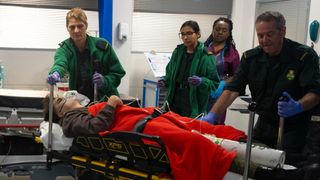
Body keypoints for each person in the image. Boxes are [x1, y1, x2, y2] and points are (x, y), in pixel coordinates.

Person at [43, 95, 305, 180]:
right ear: (60, 113)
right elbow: (97, 126)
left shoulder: (85, 108)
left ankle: (285, 158)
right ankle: (266, 172)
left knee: (212, 131)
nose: (67, 97)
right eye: (59, 100)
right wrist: (112, 103)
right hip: (141, 129)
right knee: (199, 144)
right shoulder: (70, 121)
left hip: (150, 119)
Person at [201, 11, 320, 156]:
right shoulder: (251, 58)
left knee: (289, 169)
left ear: (282, 31)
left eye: (269, 34)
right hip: (264, 124)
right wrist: (212, 115)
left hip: (297, 127)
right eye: (260, 35)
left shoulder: (304, 56)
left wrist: (299, 105)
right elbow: (232, 90)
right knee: (255, 163)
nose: (264, 40)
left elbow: (315, 93)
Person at [47, 7, 126, 102]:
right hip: (77, 103)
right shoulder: (64, 49)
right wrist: (56, 73)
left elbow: (117, 73)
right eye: (72, 27)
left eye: (80, 26)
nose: (76, 30)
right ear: (67, 28)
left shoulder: (102, 47)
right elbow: (60, 63)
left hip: (104, 101)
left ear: (86, 26)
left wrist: (105, 81)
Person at [157, 20, 219, 118]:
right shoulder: (178, 52)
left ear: (198, 34)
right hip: (174, 96)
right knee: (171, 125)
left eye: (189, 33)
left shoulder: (206, 56)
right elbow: (169, 73)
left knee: (188, 129)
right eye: (182, 34)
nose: (185, 37)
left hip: (193, 99)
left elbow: (214, 83)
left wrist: (202, 81)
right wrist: (165, 80)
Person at [204, 17, 240, 124]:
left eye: (224, 30)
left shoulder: (232, 53)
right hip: (200, 91)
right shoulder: (202, 48)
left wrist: (222, 84)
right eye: (217, 29)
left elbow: (237, 75)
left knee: (215, 126)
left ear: (229, 33)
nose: (220, 32)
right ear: (213, 30)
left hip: (218, 96)